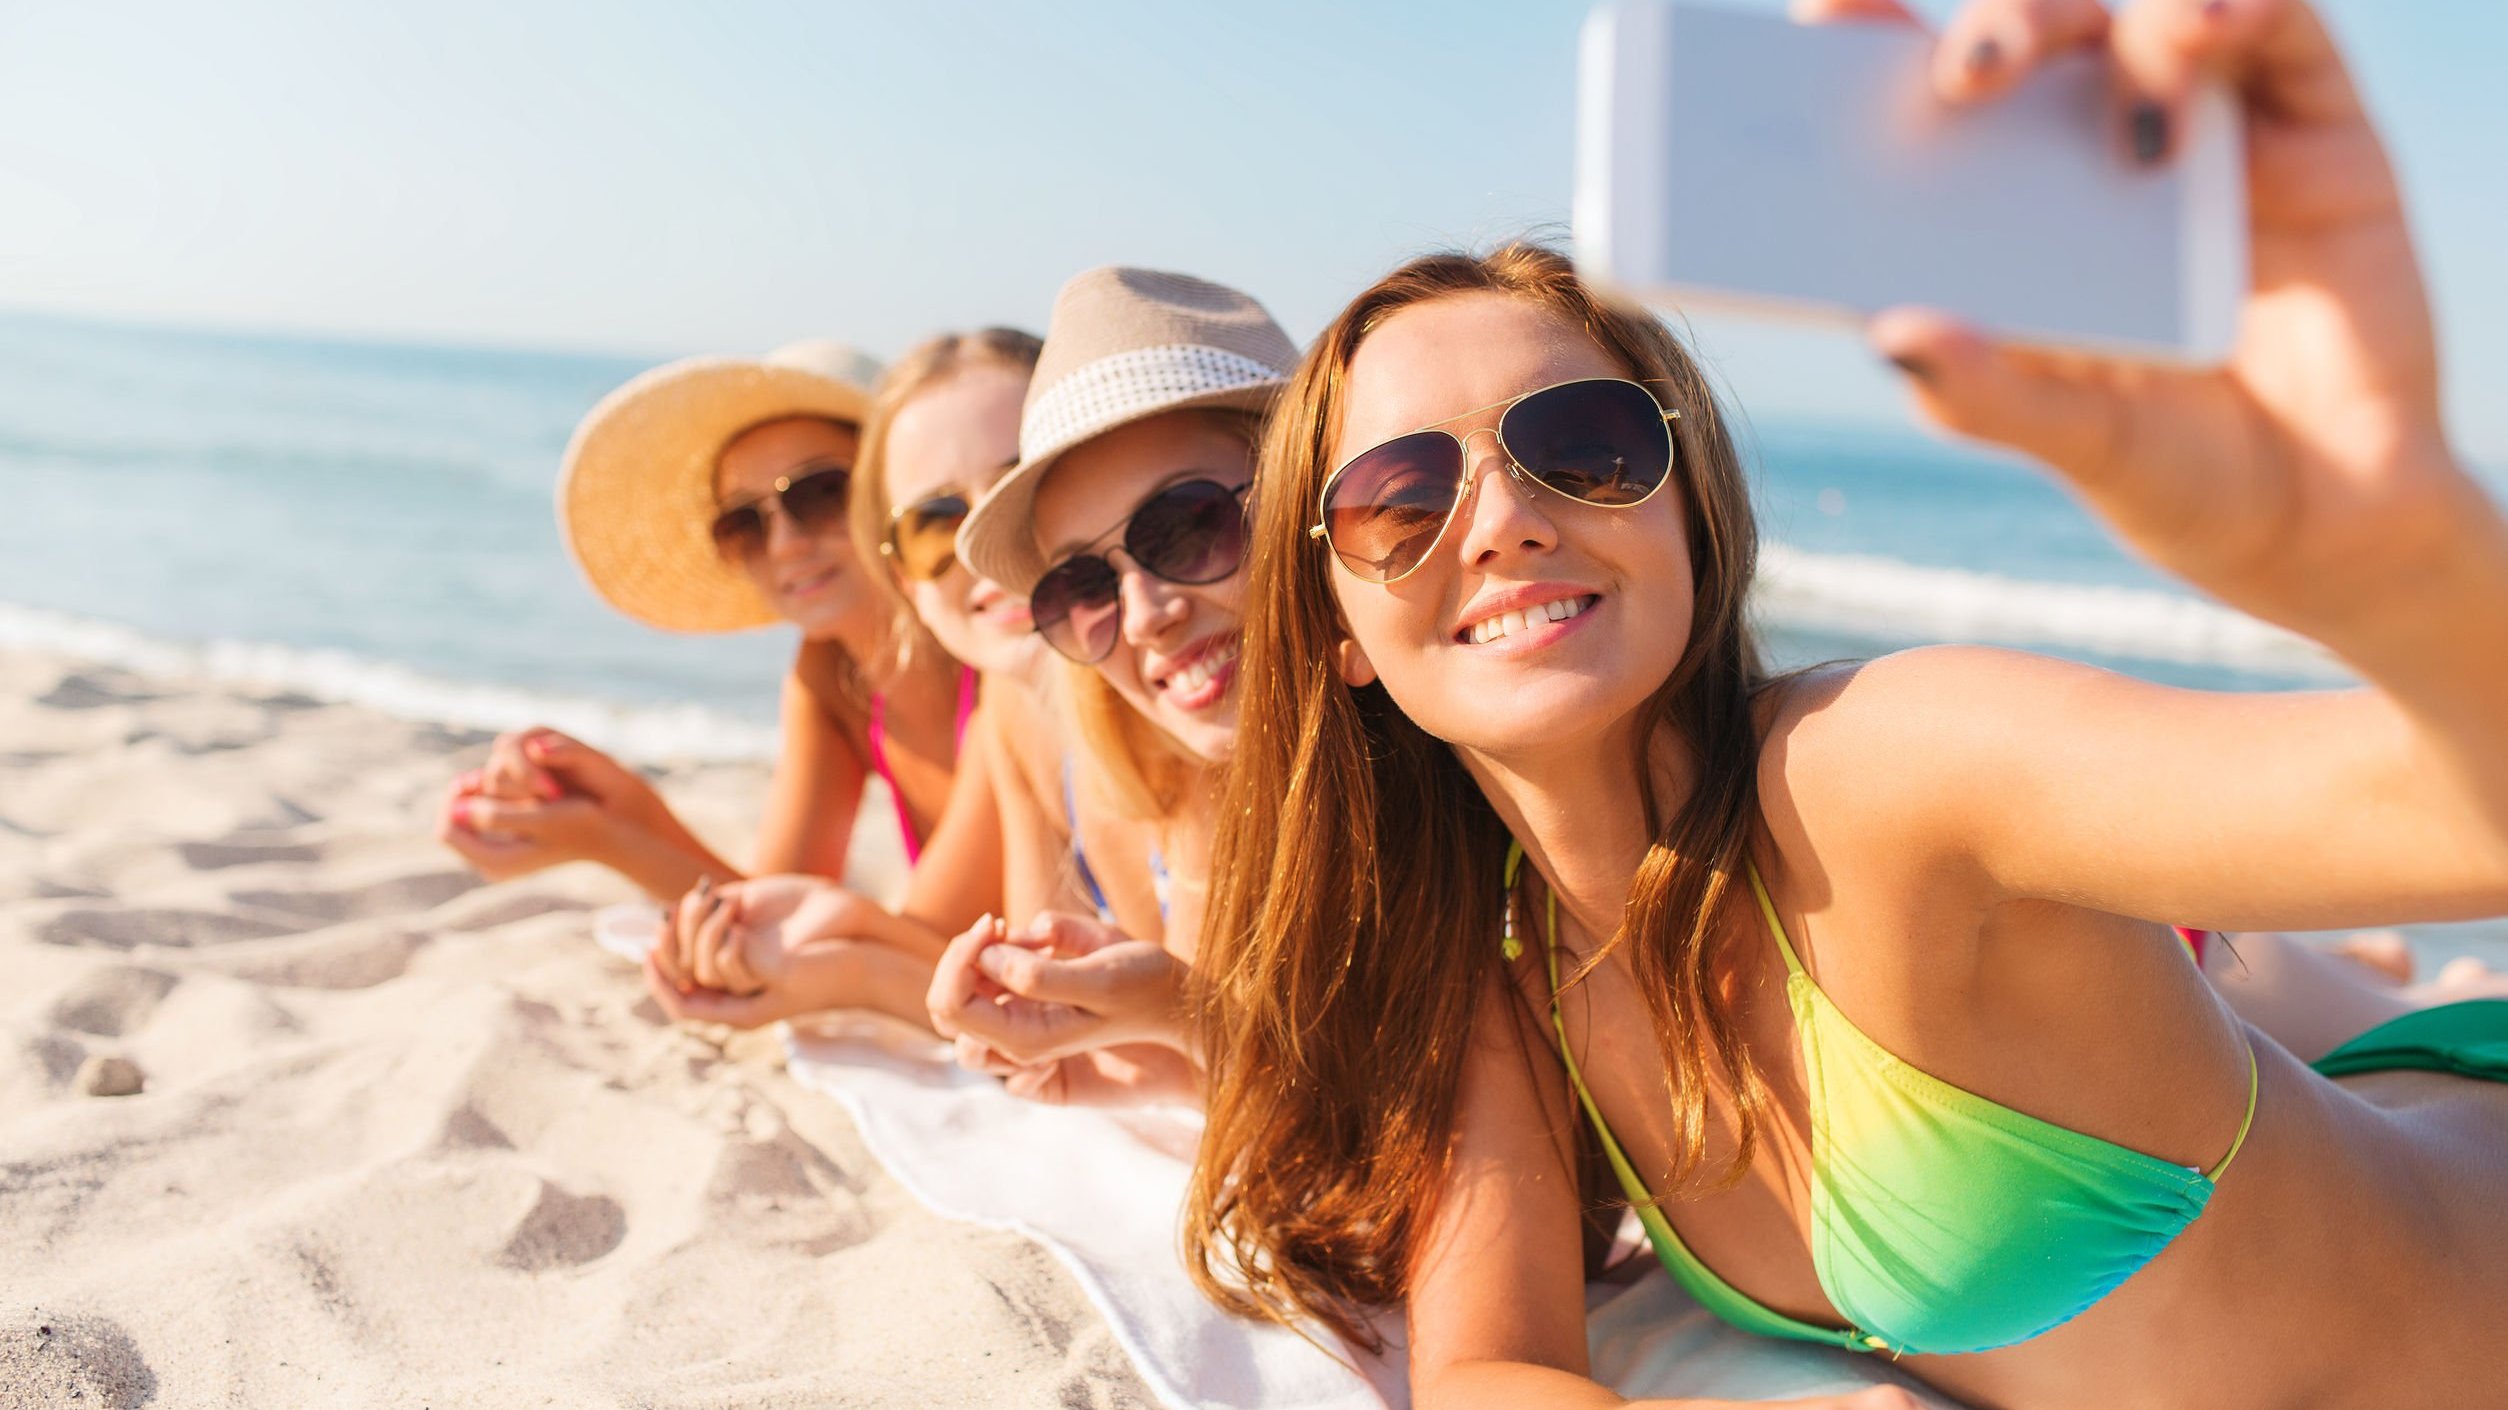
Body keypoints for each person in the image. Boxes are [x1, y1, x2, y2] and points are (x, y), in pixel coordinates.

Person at [1185, 4, 2508, 1407]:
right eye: (1401, 499)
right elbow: (1493, 1363)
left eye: (1583, 446)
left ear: (1689, 513)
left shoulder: (1874, 767)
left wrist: (2394, 557)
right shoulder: (1513, 960)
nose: (1505, 518)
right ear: (1336, 629)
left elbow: (2463, 821)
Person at [925, 266, 1302, 1104]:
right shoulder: (1206, 772)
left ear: (1308, 485)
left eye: (1188, 526)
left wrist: (1179, 1016)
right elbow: (1307, 1109)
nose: (1143, 616)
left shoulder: (1468, 759)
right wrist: (1122, 1061)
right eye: (1084, 586)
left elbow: (1465, 1166)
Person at [438, 341, 975, 904]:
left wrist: (610, 836)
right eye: (744, 523)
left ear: (893, 490)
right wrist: (618, 813)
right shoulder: (830, 671)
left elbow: (905, 950)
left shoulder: (990, 664)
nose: (784, 543)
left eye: (821, 494)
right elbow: (775, 906)